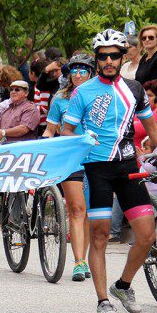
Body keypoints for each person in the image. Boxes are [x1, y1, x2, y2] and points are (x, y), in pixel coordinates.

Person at [62, 29, 157, 313]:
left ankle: (122, 286)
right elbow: (66, 131)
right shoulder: (83, 92)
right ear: (97, 59)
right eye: (103, 56)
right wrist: (82, 139)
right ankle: (102, 301)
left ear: (122, 57)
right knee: (100, 236)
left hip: (129, 167)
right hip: (97, 168)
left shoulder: (135, 89)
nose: (108, 61)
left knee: (146, 236)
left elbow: (153, 128)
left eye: (114, 55)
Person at [43, 53, 95, 281]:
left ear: (91, 73)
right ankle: (79, 261)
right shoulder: (60, 99)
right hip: (70, 159)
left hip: (97, 158)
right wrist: (42, 147)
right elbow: (50, 130)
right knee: (77, 210)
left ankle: (85, 257)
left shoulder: (100, 96)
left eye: (83, 70)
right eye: (74, 71)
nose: (78, 75)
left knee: (90, 212)